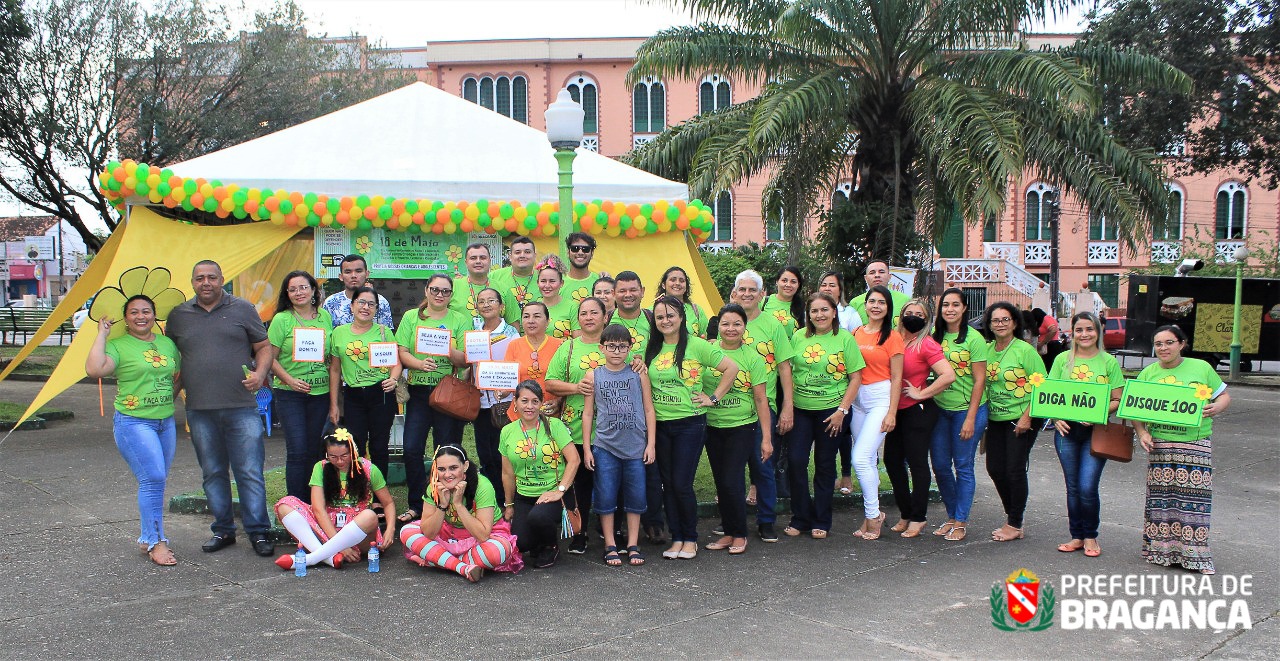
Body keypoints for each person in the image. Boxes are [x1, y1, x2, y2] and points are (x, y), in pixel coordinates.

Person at [166, 260, 275, 556]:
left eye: (212, 277)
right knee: (213, 472)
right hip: (200, 409)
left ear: (222, 280)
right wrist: (166, 398)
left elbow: (264, 347)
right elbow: (168, 357)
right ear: (192, 282)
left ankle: (259, 532)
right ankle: (224, 530)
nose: (206, 283)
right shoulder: (178, 316)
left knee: (249, 471)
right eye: (200, 278)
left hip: (241, 406)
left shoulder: (242, 308)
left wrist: (260, 374)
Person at [85, 295, 182, 566]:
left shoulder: (167, 343)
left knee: (156, 481)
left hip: (165, 422)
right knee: (153, 477)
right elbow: (94, 369)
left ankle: (147, 535)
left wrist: (165, 399)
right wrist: (102, 334)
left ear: (154, 315)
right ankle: (155, 542)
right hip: (133, 422)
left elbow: (177, 373)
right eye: (134, 312)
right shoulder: (118, 345)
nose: (141, 316)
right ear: (126, 318)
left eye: (147, 311)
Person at [1132, 325, 1230, 575]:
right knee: (1162, 501)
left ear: (1181, 344)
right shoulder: (1148, 373)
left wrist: (1218, 407)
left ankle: (1195, 554)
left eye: (1169, 342)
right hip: (1161, 445)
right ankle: (1161, 551)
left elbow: (1224, 396)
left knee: (1194, 501)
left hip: (1194, 443)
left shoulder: (1201, 368)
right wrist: (1142, 432)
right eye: (1158, 344)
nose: (1163, 348)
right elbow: (1135, 410)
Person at [646, 295, 739, 559]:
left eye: (671, 315)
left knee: (682, 483)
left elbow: (731, 368)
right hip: (661, 425)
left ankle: (690, 538)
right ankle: (676, 538)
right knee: (667, 483)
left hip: (690, 424)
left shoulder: (697, 346)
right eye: (661, 317)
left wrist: (713, 398)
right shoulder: (652, 349)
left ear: (681, 317)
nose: (666, 321)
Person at [784, 292, 864, 539]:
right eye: (814, 311)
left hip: (833, 411)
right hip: (801, 410)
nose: (819, 315)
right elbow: (786, 369)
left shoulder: (845, 339)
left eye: (824, 310)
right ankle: (801, 517)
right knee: (796, 462)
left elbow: (856, 377)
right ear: (808, 314)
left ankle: (821, 519)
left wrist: (842, 411)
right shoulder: (798, 336)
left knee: (825, 464)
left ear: (834, 312)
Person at [395, 274, 470, 524]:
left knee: (446, 451)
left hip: (448, 393)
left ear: (451, 295)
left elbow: (465, 359)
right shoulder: (410, 317)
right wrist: (419, 363)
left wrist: (446, 349)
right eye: (435, 289)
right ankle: (417, 503)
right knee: (411, 447)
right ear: (426, 290)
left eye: (446, 291)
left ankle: (446, 503)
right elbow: (402, 352)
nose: (440, 294)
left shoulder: (460, 319)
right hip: (418, 392)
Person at [1047, 312, 1124, 554]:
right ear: (1072, 332)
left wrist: (1098, 413)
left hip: (1096, 432)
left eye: (1089, 329)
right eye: (1079, 330)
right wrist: (1056, 417)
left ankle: (1091, 535)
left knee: (1087, 486)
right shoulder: (1062, 360)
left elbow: (1118, 399)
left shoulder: (1108, 362)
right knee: (1073, 487)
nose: (1084, 334)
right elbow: (1050, 395)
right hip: (1066, 431)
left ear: (1098, 331)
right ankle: (1077, 535)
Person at [581, 324, 657, 566]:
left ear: (629, 348)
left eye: (622, 347)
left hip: (636, 447)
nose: (616, 351)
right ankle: (610, 544)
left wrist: (651, 444)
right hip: (605, 447)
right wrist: (586, 448)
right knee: (605, 496)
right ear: (601, 347)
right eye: (611, 346)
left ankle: (633, 543)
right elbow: (588, 413)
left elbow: (648, 408)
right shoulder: (594, 375)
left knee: (636, 496)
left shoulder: (638, 373)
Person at [728, 270, 794, 541]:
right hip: (730, 408)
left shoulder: (772, 324)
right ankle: (731, 520)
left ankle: (766, 519)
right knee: (730, 469)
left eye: (751, 290)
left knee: (763, 463)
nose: (746, 294)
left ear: (762, 294)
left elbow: (784, 366)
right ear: (734, 293)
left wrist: (787, 405)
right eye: (741, 289)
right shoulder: (726, 321)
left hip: (763, 406)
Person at [272, 429, 395, 571]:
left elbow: (388, 503)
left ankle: (312, 558)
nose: (339, 461)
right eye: (333, 457)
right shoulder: (321, 467)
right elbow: (318, 509)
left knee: (370, 516)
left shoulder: (369, 468)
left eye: (344, 455)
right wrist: (341, 547)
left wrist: (390, 529)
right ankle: (329, 557)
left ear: (354, 451)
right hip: (326, 527)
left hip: (359, 530)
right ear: (326, 454)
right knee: (286, 504)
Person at [703, 304, 772, 555]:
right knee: (721, 482)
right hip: (711, 426)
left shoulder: (753, 358)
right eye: (725, 324)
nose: (731, 329)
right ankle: (729, 533)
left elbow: (761, 399)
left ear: (745, 327)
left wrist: (766, 438)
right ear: (718, 326)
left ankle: (740, 533)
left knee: (732, 481)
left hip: (742, 427)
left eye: (736, 324)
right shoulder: (708, 351)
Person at [885, 299, 954, 538]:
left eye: (919, 314)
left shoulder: (926, 344)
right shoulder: (893, 339)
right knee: (892, 461)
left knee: (916, 463)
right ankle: (905, 513)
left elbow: (948, 375)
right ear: (901, 315)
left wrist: (921, 393)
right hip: (895, 409)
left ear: (927, 320)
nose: (913, 316)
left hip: (918, 411)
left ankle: (919, 517)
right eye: (909, 312)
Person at [544, 297, 608, 554]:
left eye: (595, 312)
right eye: (584, 313)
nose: (589, 317)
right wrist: (575, 388)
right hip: (575, 428)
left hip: (609, 430)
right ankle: (579, 533)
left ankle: (612, 530)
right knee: (579, 484)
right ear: (577, 319)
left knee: (609, 482)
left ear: (605, 317)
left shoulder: (614, 345)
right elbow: (550, 382)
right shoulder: (568, 347)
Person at [401, 445, 522, 581]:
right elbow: (428, 533)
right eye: (441, 469)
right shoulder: (433, 487)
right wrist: (442, 505)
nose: (447, 475)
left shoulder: (482, 485)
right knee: (407, 531)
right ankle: (463, 567)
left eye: (453, 468)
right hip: (448, 533)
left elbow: (483, 535)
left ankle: (437, 559)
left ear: (465, 466)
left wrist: (459, 505)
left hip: (483, 536)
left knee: (498, 551)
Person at [980, 301, 1046, 544]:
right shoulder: (986, 350)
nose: (1000, 324)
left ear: (1015, 322)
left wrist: (1027, 416)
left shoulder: (1024, 350)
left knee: (1014, 470)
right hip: (996, 418)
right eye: (995, 320)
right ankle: (1013, 515)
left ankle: (1014, 522)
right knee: (995, 469)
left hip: (1023, 417)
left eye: (1005, 319)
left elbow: (1041, 384)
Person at [268, 270, 334, 503]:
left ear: (314, 290)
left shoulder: (325, 317)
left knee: (316, 451)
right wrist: (290, 380)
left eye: (303, 287)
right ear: (287, 294)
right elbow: (269, 358)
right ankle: (295, 506)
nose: (299, 293)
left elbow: (330, 356)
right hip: (290, 395)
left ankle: (315, 503)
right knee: (297, 451)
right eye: (293, 289)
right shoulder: (281, 319)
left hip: (320, 394)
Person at [929, 288, 989, 541]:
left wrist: (971, 418)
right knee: (941, 466)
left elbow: (980, 380)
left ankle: (962, 521)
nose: (950, 309)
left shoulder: (973, 339)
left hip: (967, 410)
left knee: (963, 466)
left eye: (955, 305)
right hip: (940, 409)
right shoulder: (935, 337)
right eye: (945, 305)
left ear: (964, 308)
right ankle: (952, 516)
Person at [500, 380, 581, 569]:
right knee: (520, 544)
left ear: (541, 403)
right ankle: (538, 539)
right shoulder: (507, 431)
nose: (529, 406)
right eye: (524, 401)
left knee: (538, 517)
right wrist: (509, 505)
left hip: (554, 493)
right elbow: (507, 473)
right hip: (525, 495)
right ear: (515, 402)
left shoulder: (554, 425)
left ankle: (550, 545)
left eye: (535, 401)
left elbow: (574, 460)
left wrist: (560, 490)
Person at [328, 286, 401, 480]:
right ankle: (359, 490)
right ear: (352, 306)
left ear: (376, 309)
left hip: (381, 394)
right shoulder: (339, 333)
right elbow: (335, 370)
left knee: (379, 446)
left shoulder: (384, 332)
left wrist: (393, 379)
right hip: (353, 396)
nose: (366, 307)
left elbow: (396, 363)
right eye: (361, 302)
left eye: (371, 304)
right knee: (355, 444)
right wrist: (334, 404)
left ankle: (379, 495)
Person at [849, 286, 904, 540]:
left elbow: (896, 377)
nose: (876, 306)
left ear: (887, 307)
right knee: (867, 461)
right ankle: (872, 514)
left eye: (881, 302)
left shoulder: (892, 337)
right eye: (872, 301)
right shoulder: (856, 333)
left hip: (880, 398)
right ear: (865, 304)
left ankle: (873, 516)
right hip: (858, 400)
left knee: (859, 458)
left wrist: (892, 412)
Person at [469, 287, 520, 495]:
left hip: (503, 402)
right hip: (480, 400)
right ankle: (488, 497)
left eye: (491, 301)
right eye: (482, 301)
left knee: (503, 453)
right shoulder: (473, 330)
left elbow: (517, 365)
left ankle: (506, 498)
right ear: (477, 306)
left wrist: (506, 389)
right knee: (485, 452)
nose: (487, 305)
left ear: (501, 306)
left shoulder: (511, 334)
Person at [817, 270, 862, 495]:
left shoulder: (850, 313)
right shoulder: (814, 312)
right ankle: (831, 477)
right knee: (826, 435)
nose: (828, 288)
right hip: (820, 381)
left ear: (840, 290)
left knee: (843, 431)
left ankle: (846, 475)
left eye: (832, 285)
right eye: (824, 284)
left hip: (844, 378)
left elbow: (858, 342)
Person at [502, 301, 563, 421]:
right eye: (526, 316)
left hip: (550, 413)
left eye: (537, 316)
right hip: (520, 414)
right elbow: (507, 380)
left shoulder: (560, 346)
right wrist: (501, 391)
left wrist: (559, 401)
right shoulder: (513, 345)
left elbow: (567, 380)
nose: (531, 321)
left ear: (547, 321)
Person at [322, 254, 394, 328]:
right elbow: (326, 334)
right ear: (341, 277)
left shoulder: (380, 302)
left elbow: (386, 335)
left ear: (367, 274)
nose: (353, 275)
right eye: (348, 272)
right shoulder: (331, 303)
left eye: (358, 271)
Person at [490, 236, 539, 327]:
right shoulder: (494, 277)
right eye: (517, 252)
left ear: (535, 255)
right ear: (510, 256)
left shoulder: (545, 279)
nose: (522, 255)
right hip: (504, 337)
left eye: (527, 252)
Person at [849, 260, 910, 327]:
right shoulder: (855, 303)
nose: (877, 275)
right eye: (872, 273)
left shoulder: (905, 300)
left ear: (889, 276)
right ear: (865, 278)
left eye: (881, 272)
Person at [656, 266, 709, 337]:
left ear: (686, 287)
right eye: (673, 280)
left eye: (682, 281)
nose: (677, 283)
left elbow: (706, 338)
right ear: (663, 285)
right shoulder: (652, 311)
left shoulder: (697, 311)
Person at [610, 271, 652, 361]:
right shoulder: (605, 320)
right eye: (622, 291)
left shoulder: (654, 319)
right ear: (613, 294)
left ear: (642, 291)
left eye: (633, 290)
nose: (628, 295)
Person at [450, 242, 495, 323]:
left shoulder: (503, 288)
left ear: (489, 261)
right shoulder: (451, 286)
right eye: (473, 258)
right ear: (466, 262)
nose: (478, 261)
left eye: (483, 258)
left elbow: (513, 326)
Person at [537, 256, 578, 340]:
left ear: (561, 283)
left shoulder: (573, 307)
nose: (547, 285)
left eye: (552, 281)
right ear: (538, 283)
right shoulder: (534, 306)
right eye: (543, 281)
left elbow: (578, 340)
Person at [563, 232, 602, 303]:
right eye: (575, 248)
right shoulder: (558, 284)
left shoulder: (600, 281)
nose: (580, 252)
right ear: (568, 253)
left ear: (592, 253)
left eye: (585, 249)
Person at [762, 266, 804, 332]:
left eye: (793, 282)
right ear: (777, 282)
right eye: (784, 281)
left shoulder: (803, 308)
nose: (788, 285)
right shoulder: (763, 302)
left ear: (798, 284)